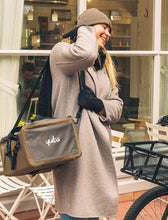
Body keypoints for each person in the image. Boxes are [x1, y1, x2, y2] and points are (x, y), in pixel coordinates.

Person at [50, 8, 123, 220]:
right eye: (103, 27)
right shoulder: (62, 52)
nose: (108, 33)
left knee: (93, 213)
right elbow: (85, 54)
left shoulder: (105, 64)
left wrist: (98, 104)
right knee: (74, 212)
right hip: (72, 150)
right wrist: (86, 30)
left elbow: (117, 106)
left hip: (98, 152)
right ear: (86, 29)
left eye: (110, 29)